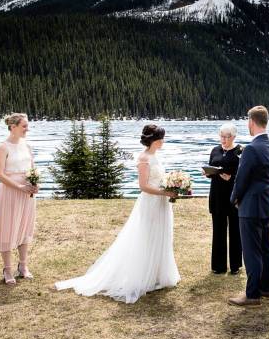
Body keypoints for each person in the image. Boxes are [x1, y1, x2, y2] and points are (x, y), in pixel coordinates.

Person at [55, 124, 180, 303]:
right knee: (148, 237)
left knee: (161, 236)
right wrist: (164, 193)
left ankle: (158, 274)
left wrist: (171, 186)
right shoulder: (144, 158)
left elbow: (159, 180)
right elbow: (143, 186)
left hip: (161, 203)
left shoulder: (155, 156)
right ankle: (144, 275)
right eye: (161, 138)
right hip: (151, 203)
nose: (163, 141)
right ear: (154, 140)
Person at [228, 106, 269, 307]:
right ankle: (266, 288)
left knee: (251, 251)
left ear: (251, 122)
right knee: (265, 247)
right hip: (266, 204)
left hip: (250, 207)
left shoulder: (251, 149)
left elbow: (241, 180)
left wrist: (233, 198)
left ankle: (252, 295)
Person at [0, 113, 38, 285]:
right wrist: (19, 187)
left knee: (25, 226)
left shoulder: (27, 145)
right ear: (13, 127)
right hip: (11, 191)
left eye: (27, 125)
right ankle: (7, 269)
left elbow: (32, 168)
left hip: (27, 191)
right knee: (8, 228)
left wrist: (34, 182)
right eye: (24, 126)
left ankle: (23, 266)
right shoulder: (3, 147)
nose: (27, 129)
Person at [205, 123, 242, 275]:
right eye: (222, 136)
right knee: (218, 231)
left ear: (233, 137)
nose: (224, 139)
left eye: (227, 137)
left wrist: (231, 178)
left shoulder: (240, 151)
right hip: (217, 195)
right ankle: (218, 266)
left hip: (233, 196)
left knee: (235, 230)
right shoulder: (215, 150)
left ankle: (235, 265)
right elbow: (210, 166)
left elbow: (243, 175)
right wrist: (208, 173)